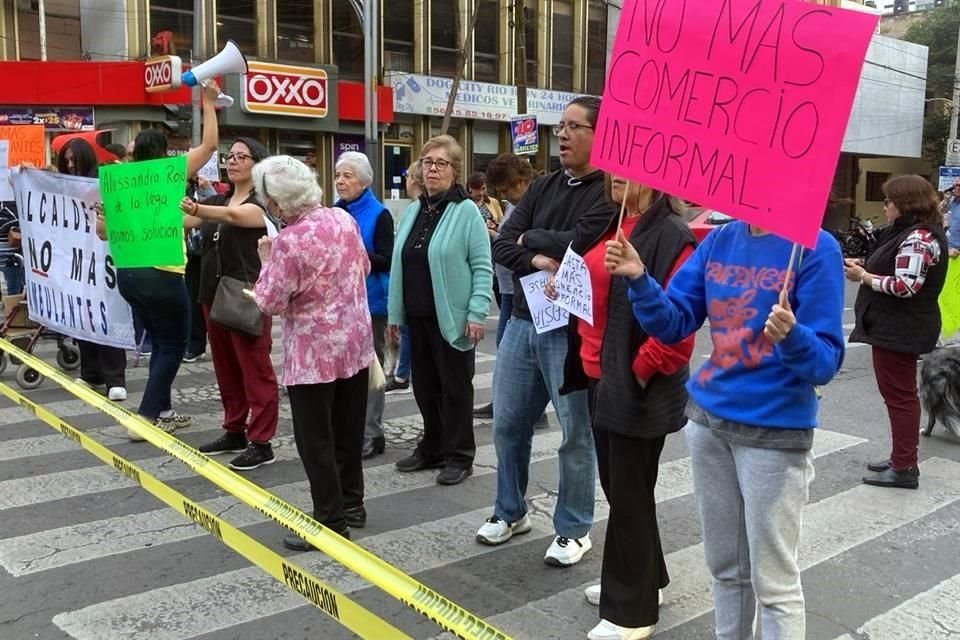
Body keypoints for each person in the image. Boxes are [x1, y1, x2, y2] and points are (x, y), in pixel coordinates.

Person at [605, 211, 845, 639]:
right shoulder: (720, 241)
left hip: (773, 434)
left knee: (774, 583)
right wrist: (640, 278)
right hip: (709, 424)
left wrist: (792, 336)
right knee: (726, 570)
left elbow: (825, 362)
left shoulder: (815, 246)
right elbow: (674, 321)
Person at [476, 96, 612, 567]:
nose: (564, 135)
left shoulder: (608, 191)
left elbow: (582, 244)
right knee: (509, 424)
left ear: (600, 134)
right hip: (522, 321)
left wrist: (528, 237)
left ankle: (574, 527)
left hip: (573, 330)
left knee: (576, 433)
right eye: (562, 127)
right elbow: (502, 245)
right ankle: (510, 511)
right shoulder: (544, 185)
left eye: (576, 127)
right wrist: (534, 255)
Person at [558, 178, 695, 640]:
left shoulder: (672, 233)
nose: (617, 175)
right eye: (614, 167)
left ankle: (632, 613)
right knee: (621, 487)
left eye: (629, 169)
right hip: (599, 373)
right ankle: (644, 579)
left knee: (630, 491)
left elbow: (680, 324)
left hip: (636, 383)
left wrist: (640, 369)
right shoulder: (608, 221)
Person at [250, 155, 374, 548]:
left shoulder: (288, 241)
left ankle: (330, 519)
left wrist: (266, 260)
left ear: (278, 203)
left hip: (314, 355)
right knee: (347, 430)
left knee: (315, 438)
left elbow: (268, 301)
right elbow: (365, 268)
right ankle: (352, 503)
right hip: (354, 343)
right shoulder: (343, 219)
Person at [105, 81, 220, 438]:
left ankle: (163, 408)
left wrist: (199, 217)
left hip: (128, 274)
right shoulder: (169, 174)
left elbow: (108, 229)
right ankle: (145, 417)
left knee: (158, 339)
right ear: (165, 152)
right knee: (173, 345)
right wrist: (209, 102)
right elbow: (211, 145)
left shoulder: (120, 180)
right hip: (163, 272)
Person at [387, 135, 493, 486]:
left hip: (453, 317)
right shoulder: (415, 209)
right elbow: (399, 263)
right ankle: (432, 446)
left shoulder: (466, 212)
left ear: (455, 170)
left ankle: (460, 455)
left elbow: (482, 266)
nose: (432, 169)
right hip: (417, 313)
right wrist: (395, 315)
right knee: (425, 388)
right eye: (427, 162)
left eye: (440, 163)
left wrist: (477, 312)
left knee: (455, 389)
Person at [179, 138, 279, 471]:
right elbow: (185, 222)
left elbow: (235, 216)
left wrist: (198, 208)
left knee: (255, 369)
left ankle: (261, 441)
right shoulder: (218, 199)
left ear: (257, 163)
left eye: (241, 156)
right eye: (229, 156)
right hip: (212, 294)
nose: (232, 161)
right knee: (225, 369)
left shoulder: (261, 203)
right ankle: (234, 429)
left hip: (246, 295)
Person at [846, 175, 948, 490]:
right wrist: (865, 265)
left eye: (888, 201)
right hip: (897, 326)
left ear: (905, 203)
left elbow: (905, 286)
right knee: (898, 396)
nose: (885, 207)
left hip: (900, 327)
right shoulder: (908, 233)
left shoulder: (918, 237)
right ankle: (900, 457)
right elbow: (896, 267)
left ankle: (904, 466)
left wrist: (864, 277)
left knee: (901, 397)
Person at [55, 137, 130, 402]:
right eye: (66, 161)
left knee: (106, 316)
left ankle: (114, 378)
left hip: (103, 258)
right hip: (77, 261)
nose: (71, 165)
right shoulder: (65, 184)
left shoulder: (102, 180)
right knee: (83, 316)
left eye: (74, 160)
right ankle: (90, 374)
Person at [334, 151, 395, 461]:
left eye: (347, 176)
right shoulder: (334, 211)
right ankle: (350, 429)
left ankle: (372, 432)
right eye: (338, 176)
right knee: (345, 371)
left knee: (370, 370)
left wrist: (356, 254)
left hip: (371, 302)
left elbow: (387, 257)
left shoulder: (379, 213)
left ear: (364, 180)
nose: (341, 181)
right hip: (339, 303)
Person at [473, 153, 538, 420]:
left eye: (507, 189)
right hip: (507, 285)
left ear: (522, 182)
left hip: (520, 290)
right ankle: (504, 401)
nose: (505, 195)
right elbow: (509, 242)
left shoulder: (531, 204)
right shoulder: (515, 207)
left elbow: (517, 243)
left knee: (509, 347)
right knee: (507, 350)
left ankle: (528, 408)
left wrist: (495, 235)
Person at [384, 162, 422, 396]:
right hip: (407, 289)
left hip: (416, 292)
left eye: (407, 176)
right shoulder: (412, 210)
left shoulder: (419, 209)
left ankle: (402, 374)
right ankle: (402, 373)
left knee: (407, 333)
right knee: (405, 332)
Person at [946, 178, 960, 257]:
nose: (958, 188)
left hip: (957, 252)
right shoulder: (950, 203)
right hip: (946, 251)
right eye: (956, 185)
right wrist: (945, 200)